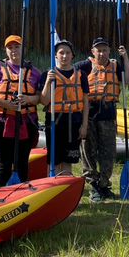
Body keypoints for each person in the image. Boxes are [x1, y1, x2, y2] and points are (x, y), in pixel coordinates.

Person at [76, 37, 129, 202]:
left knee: (108, 152)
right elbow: (66, 76)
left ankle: (104, 185)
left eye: (105, 50)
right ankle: (94, 187)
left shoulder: (115, 66)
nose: (101, 53)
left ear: (109, 51)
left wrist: (125, 57)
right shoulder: (83, 66)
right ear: (92, 52)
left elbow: (128, 80)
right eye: (98, 50)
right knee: (88, 151)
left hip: (108, 114)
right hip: (89, 114)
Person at [0, 35, 42, 187]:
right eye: (10, 48)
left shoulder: (34, 72)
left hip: (25, 122)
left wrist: (28, 99)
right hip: (1, 121)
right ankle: (2, 194)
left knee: (22, 162)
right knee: (3, 163)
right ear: (5, 50)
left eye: (17, 47)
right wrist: (5, 104)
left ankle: (21, 194)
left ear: (23, 48)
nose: (13, 50)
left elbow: (40, 97)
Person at [39, 40, 89, 179]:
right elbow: (43, 101)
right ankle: (50, 185)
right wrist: (48, 82)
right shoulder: (48, 75)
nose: (64, 56)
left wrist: (84, 125)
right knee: (54, 158)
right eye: (61, 53)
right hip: (55, 120)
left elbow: (85, 101)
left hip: (74, 120)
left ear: (72, 55)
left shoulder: (81, 75)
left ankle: (65, 185)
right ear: (55, 56)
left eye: (67, 53)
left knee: (68, 159)